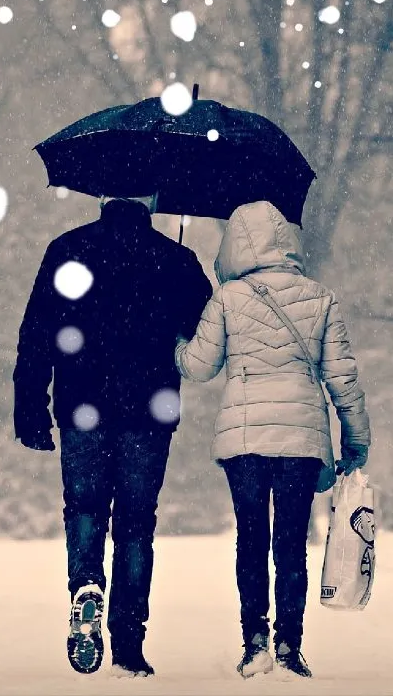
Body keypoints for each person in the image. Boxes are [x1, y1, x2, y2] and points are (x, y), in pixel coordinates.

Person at [13, 195, 211, 677]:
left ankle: (85, 586)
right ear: (151, 199)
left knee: (84, 507)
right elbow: (203, 333)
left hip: (83, 406)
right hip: (149, 409)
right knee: (137, 522)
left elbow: (37, 331)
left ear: (104, 198)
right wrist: (181, 287)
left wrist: (31, 411)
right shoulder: (175, 258)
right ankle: (128, 640)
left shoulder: (68, 249)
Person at [175, 200, 370, 680]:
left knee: (251, 538)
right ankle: (290, 645)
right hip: (303, 440)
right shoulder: (320, 298)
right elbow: (343, 379)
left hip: (244, 440)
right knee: (290, 543)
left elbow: (199, 367)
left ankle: (253, 642)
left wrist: (180, 343)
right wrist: (356, 440)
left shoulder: (228, 299)